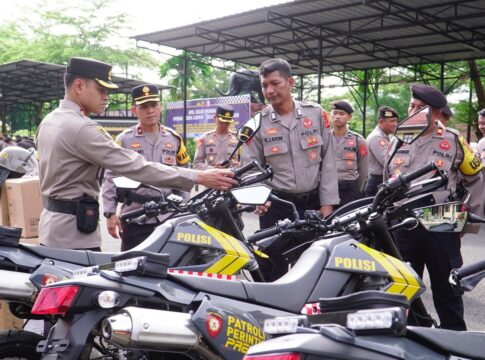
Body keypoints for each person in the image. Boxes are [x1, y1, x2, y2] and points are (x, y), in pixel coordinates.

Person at [35, 57, 236, 251]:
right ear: (79, 86)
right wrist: (199, 176)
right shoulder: (82, 128)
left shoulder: (50, 120)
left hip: (53, 227)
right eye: (101, 89)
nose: (106, 96)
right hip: (75, 236)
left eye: (154, 105)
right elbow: (135, 167)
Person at [387, 83, 485, 331]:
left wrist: (466, 222)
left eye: (421, 108)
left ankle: (454, 339)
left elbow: (476, 181)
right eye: (412, 106)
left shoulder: (453, 139)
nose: (413, 111)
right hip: (403, 222)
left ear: (438, 114)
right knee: (404, 289)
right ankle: (412, 337)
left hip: (441, 218)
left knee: (447, 288)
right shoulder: (398, 140)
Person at [240, 58, 339, 230]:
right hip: (276, 207)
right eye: (264, 85)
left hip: (313, 205)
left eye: (275, 83)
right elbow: (250, 169)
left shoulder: (315, 114)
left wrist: (328, 203)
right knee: (273, 256)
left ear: (290, 82)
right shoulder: (257, 124)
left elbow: (328, 162)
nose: (269, 91)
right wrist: (259, 198)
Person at [102, 83, 191, 250]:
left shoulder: (174, 139)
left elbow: (184, 175)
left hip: (168, 216)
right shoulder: (124, 140)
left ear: (160, 107)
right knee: (131, 267)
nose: (150, 110)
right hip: (135, 216)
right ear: (134, 110)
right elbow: (111, 176)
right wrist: (110, 212)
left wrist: (184, 210)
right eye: (144, 106)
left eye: (153, 105)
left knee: (167, 267)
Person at [330, 100, 368, 206]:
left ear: (349, 117)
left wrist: (358, 190)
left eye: (342, 114)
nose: (337, 116)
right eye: (335, 113)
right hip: (328, 189)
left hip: (350, 190)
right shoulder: (324, 139)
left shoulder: (358, 140)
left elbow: (364, 168)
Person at [363, 106, 399, 197]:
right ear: (381, 122)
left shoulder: (383, 136)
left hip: (379, 181)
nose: (395, 124)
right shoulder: (377, 137)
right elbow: (388, 161)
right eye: (392, 121)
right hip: (376, 182)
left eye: (396, 121)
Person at [193, 105, 240, 169]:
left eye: (227, 122)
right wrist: (213, 169)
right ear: (215, 118)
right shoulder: (204, 139)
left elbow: (246, 161)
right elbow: (196, 164)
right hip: (213, 177)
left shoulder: (238, 139)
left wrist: (239, 164)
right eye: (221, 121)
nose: (224, 124)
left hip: (232, 177)